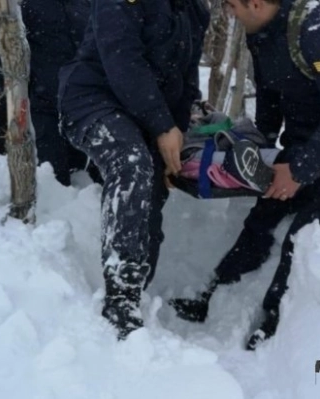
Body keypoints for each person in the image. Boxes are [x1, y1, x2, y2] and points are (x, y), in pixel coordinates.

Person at [170, 0, 320, 350]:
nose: (229, 14)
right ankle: (213, 294)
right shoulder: (261, 32)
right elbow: (271, 97)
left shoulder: (318, 29)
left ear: (255, 2)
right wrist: (262, 151)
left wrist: (300, 171)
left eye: (231, 6)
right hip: (305, 136)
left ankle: (276, 324)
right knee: (264, 214)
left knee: (301, 236)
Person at [58, 0, 210, 339]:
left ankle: (141, 284)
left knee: (154, 185)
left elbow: (187, 83)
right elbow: (123, 60)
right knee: (131, 163)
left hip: (146, 111)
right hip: (93, 99)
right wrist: (162, 126)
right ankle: (120, 295)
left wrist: (176, 137)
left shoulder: (195, 11)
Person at [0, 0, 100, 187]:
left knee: (91, 178)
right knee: (54, 178)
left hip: (87, 107)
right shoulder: (25, 6)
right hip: (45, 107)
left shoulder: (90, 5)